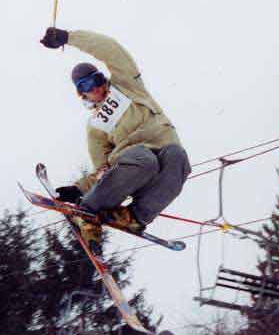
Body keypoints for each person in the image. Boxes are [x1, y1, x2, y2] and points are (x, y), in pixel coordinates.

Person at [40, 28, 192, 255]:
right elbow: (103, 170)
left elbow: (111, 50)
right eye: (85, 86)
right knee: (144, 159)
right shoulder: (96, 127)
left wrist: (68, 38)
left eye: (96, 80)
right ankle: (90, 211)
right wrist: (79, 189)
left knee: (178, 157)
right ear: (81, 93)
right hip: (136, 162)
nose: (95, 88)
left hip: (162, 150)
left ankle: (135, 216)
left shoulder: (127, 85)